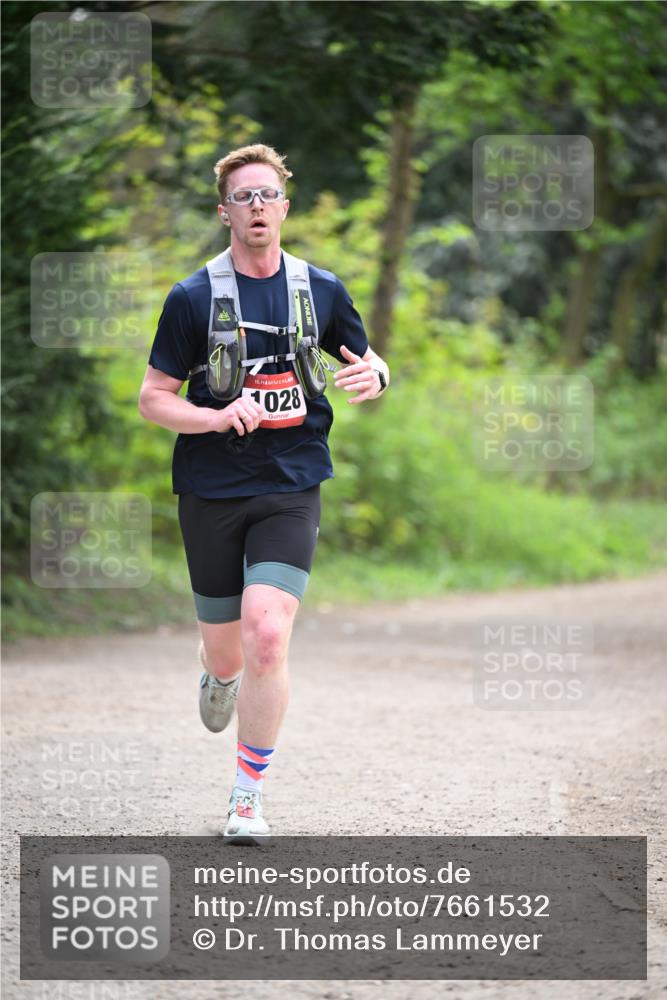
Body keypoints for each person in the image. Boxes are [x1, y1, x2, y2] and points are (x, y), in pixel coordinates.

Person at [138, 143, 389, 844]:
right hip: (212, 487)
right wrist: (215, 415)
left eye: (267, 195)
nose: (256, 207)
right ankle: (217, 676)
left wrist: (379, 377)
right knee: (227, 653)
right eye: (242, 197)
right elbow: (153, 399)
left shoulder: (321, 289)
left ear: (284, 206)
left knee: (268, 636)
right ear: (224, 212)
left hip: (291, 480)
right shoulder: (192, 298)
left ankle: (245, 796)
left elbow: (363, 360)